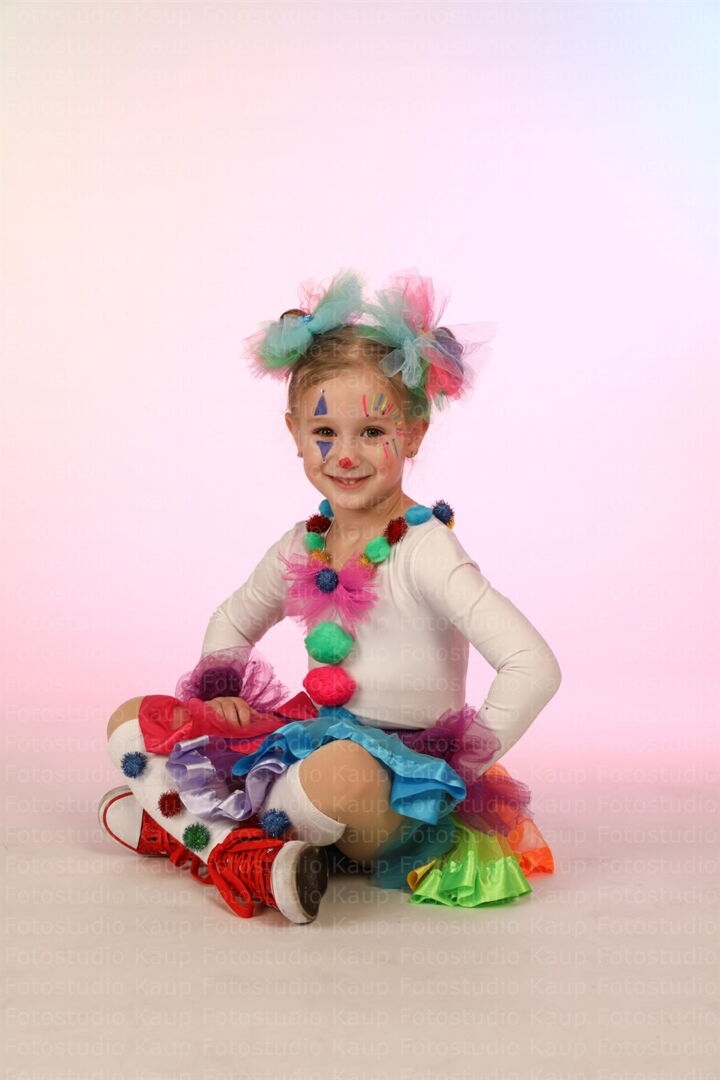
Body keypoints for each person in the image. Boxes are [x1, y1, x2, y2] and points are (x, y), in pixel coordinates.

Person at [99, 269, 562, 924]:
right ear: (294, 432)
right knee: (136, 717)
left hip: (393, 791)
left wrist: (461, 763)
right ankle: (255, 854)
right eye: (324, 432)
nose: (345, 455)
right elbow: (232, 619)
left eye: (372, 431)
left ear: (414, 433)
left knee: (342, 772)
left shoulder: (425, 550)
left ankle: (184, 830)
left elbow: (533, 666)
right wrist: (221, 693)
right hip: (308, 743)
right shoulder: (303, 543)